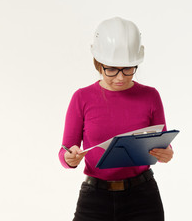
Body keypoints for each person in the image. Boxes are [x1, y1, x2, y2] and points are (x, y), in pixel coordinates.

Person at [59, 17, 174, 221]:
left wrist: (165, 153)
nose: (120, 77)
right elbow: (66, 150)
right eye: (111, 69)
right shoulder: (82, 97)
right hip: (95, 198)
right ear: (98, 63)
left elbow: (161, 143)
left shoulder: (150, 96)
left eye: (128, 69)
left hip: (143, 198)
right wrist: (70, 158)